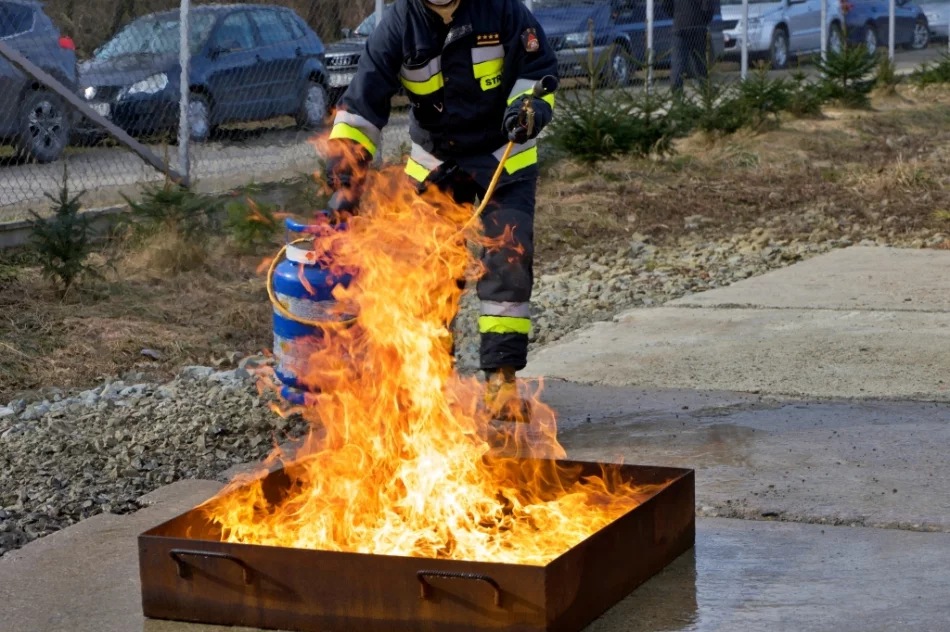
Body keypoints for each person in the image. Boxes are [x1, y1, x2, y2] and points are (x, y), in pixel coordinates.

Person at [324, 0, 557, 417]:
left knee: (509, 263)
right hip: (437, 163)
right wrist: (345, 180)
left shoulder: (502, 11)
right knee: (430, 272)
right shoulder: (397, 25)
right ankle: (431, 380)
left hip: (503, 158)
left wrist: (528, 111)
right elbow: (361, 107)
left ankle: (501, 380)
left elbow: (537, 73)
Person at [663, 0, 720, 91]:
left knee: (678, 61)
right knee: (700, 60)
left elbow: (665, 3)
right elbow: (707, 6)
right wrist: (704, 19)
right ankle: (706, 89)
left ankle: (676, 89)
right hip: (698, 25)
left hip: (679, 24)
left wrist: (676, 14)